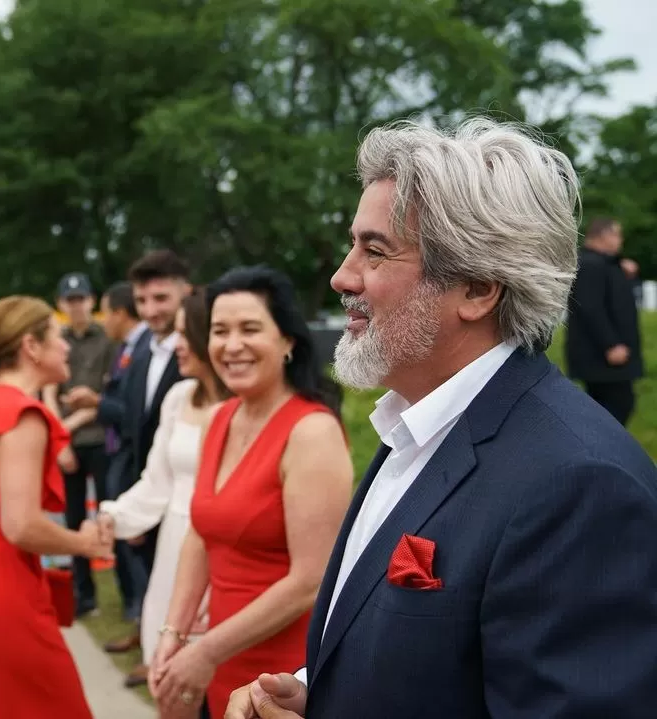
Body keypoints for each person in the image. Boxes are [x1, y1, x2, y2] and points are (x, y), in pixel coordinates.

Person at [225, 118, 657, 719]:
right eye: (354, 244)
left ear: (478, 289)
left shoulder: (579, 488)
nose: (341, 276)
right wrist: (316, 697)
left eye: (375, 251)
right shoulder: (415, 425)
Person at [152, 266, 353, 718]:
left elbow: (310, 580)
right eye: (220, 331)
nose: (232, 345)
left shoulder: (311, 432)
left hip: (276, 679)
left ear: (287, 341)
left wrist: (204, 653)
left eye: (250, 328)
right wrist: (174, 633)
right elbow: (201, 532)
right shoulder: (220, 419)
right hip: (217, 655)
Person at [0, 295, 114, 719]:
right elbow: (20, 526)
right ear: (31, 347)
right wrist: (83, 543)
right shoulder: (21, 413)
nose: (66, 344)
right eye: (56, 334)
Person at [64, 249, 191, 686]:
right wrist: (136, 504)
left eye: (161, 298)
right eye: (143, 300)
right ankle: (153, 648)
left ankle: (170, 658)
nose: (151, 310)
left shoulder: (205, 355)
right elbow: (138, 436)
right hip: (149, 492)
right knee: (154, 580)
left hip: (190, 505)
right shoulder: (138, 356)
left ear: (185, 293)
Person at [97, 289, 229, 687]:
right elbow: (157, 482)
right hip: (173, 547)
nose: (177, 345)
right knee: (171, 680)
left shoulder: (247, 406)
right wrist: (113, 515)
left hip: (223, 551)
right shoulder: (178, 398)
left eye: (185, 333)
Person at [43, 271, 118, 617]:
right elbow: (48, 391)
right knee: (73, 518)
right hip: (69, 442)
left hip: (100, 437)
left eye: (81, 299)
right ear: (61, 304)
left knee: (110, 516)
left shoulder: (107, 340)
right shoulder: (55, 340)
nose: (76, 306)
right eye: (70, 300)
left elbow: (105, 395)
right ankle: (83, 595)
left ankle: (128, 593)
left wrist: (65, 427)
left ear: (91, 300)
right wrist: (61, 441)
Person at [97, 280, 152, 628]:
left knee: (136, 542)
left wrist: (98, 404)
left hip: (136, 458)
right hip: (120, 454)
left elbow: (135, 412)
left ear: (119, 312)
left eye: (105, 313)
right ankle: (137, 610)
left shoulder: (144, 348)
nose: (103, 321)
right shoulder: (125, 349)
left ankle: (142, 610)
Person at [566, 217, 643, 425]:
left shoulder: (601, 263)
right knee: (617, 405)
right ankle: (602, 452)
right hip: (603, 355)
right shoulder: (591, 265)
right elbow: (590, 307)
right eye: (617, 234)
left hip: (606, 356)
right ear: (605, 235)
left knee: (611, 406)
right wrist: (610, 344)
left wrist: (620, 264)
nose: (621, 240)